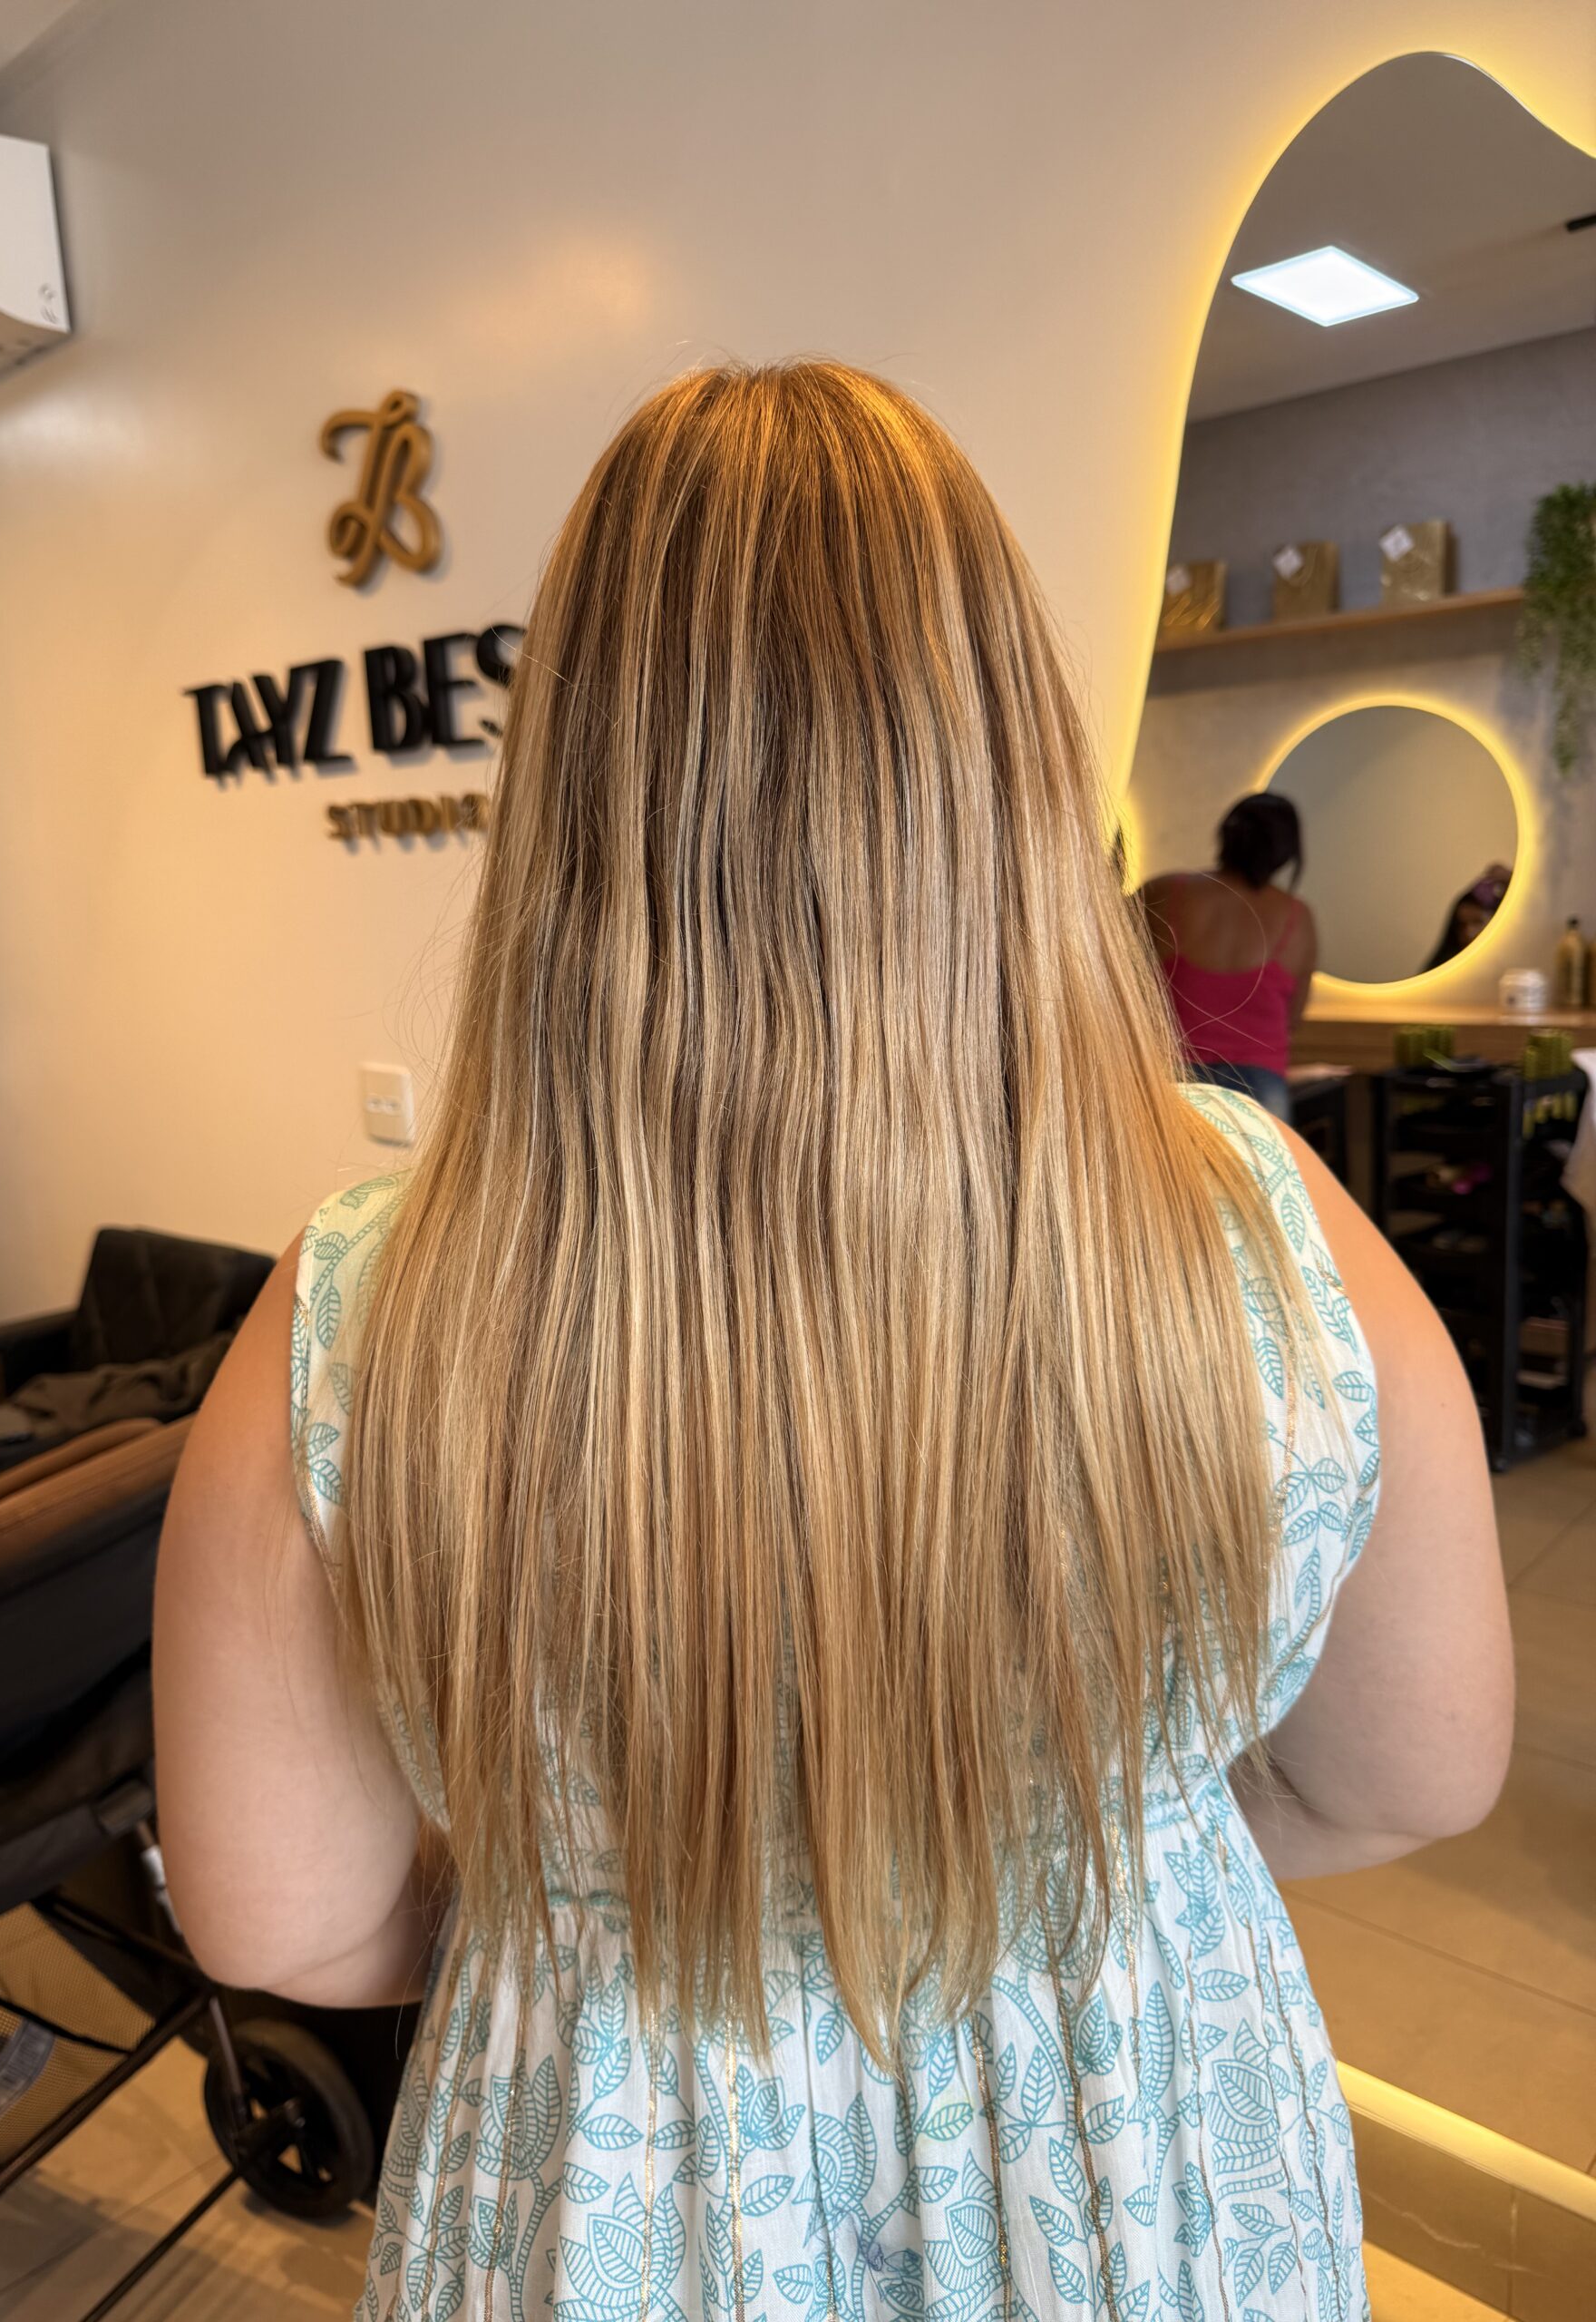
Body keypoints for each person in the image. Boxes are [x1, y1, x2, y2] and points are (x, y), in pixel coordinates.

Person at [155, 363, 1509, 2320]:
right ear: (1011, 750)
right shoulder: (1275, 1225)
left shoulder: (354, 1309)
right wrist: (1087, 1880)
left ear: (573, 777)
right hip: (1141, 2173)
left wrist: (592, 1922)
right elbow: (1418, 1773)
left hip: (621, 2202)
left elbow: (280, 1914)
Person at [1142, 795, 1317, 1122]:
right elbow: (1293, 1017)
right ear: (1287, 851)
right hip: (1260, 1088)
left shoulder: (1162, 892)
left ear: (1225, 834)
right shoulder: (1297, 917)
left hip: (1171, 1077)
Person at [1421, 863, 1510, 973]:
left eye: (1477, 922)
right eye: (1462, 925)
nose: (1469, 932)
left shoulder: (1506, 969)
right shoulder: (1440, 970)